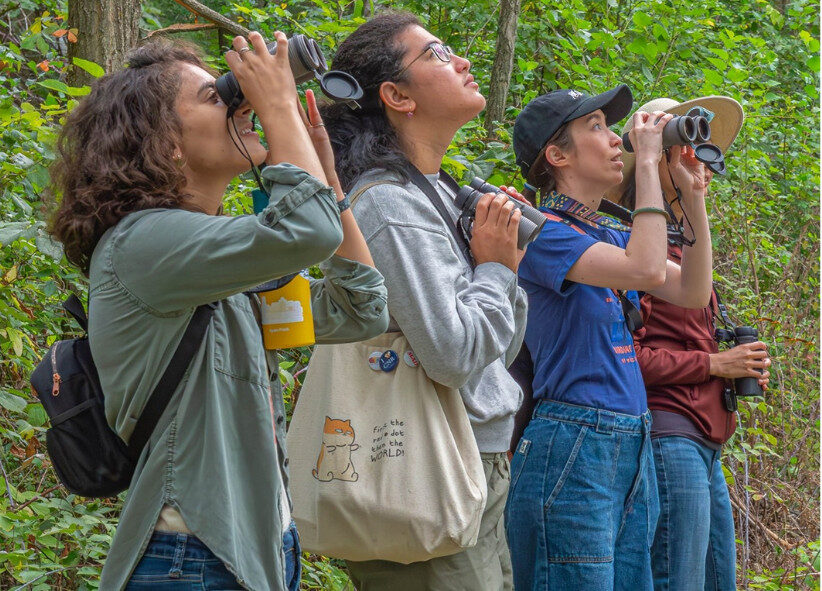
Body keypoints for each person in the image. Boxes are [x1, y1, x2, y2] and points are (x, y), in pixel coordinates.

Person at [48, 34, 388, 590]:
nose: (242, 104)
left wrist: (328, 182)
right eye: (217, 96)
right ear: (166, 145)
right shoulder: (145, 243)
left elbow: (360, 310)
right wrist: (278, 106)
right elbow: (308, 231)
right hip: (192, 556)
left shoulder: (221, 262)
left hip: (259, 551)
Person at [321, 11, 527, 590]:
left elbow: (498, 352)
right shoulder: (388, 205)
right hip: (426, 466)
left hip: (474, 459)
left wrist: (505, 267)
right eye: (437, 54)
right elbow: (453, 356)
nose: (462, 62)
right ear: (396, 96)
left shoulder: (434, 192)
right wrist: (493, 269)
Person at [505, 85, 714, 590]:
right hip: (572, 439)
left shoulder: (609, 234)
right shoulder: (539, 232)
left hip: (630, 437)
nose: (615, 140)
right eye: (595, 126)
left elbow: (692, 290)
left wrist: (692, 195)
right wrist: (646, 163)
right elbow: (643, 269)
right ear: (556, 155)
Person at [613, 96, 771, 591]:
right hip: (667, 431)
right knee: (677, 580)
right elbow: (623, 358)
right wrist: (712, 363)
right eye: (679, 143)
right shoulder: (623, 241)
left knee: (718, 579)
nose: (691, 155)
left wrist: (731, 362)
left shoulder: (680, 239)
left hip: (705, 436)